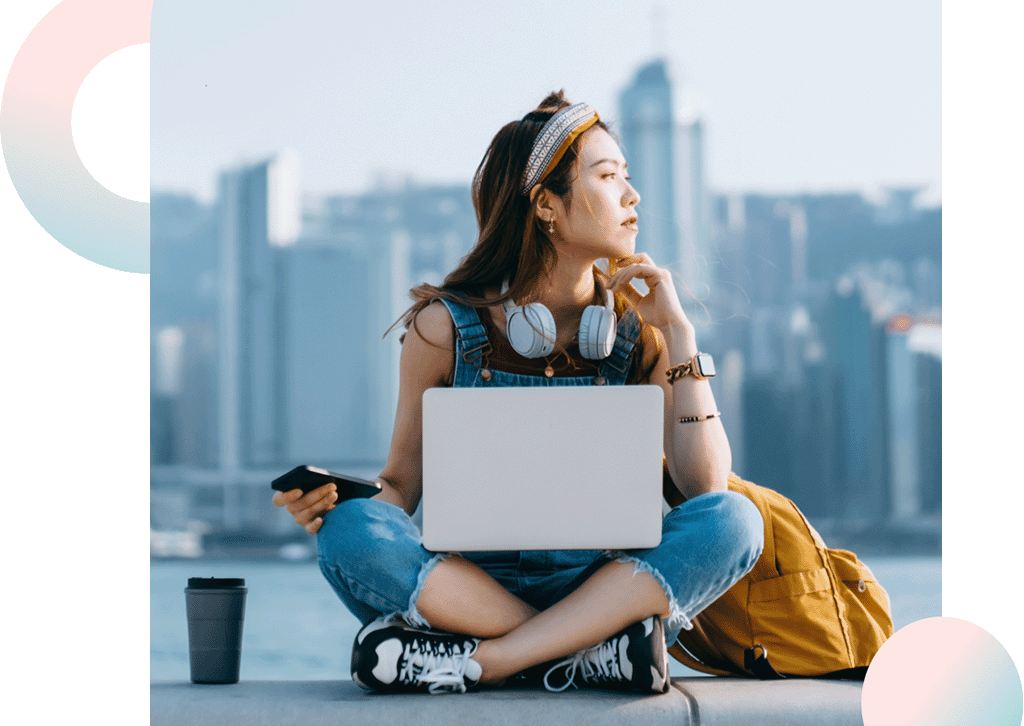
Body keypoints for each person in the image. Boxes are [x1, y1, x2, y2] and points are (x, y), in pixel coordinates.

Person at [273, 92, 764, 695]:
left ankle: (491, 662)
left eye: (627, 179)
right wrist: (339, 499)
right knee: (348, 532)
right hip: (466, 589)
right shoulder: (444, 327)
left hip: (597, 584)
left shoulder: (640, 332)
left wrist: (682, 337)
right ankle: (589, 655)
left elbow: (705, 486)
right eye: (610, 177)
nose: (632, 198)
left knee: (736, 519)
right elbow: (401, 486)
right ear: (547, 205)